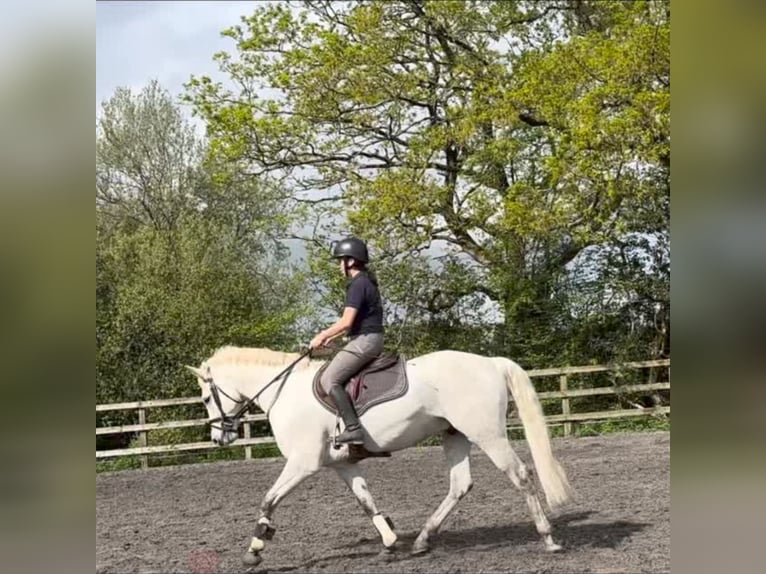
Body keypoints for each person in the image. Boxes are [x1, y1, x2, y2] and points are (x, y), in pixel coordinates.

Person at [309, 237, 384, 445]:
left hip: (367, 341)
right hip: (366, 338)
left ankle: (353, 428)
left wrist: (322, 335)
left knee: (328, 379)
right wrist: (331, 339)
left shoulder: (358, 284)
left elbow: (346, 321)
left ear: (350, 261)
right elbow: (351, 326)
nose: (338, 265)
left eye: (340, 260)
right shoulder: (364, 282)